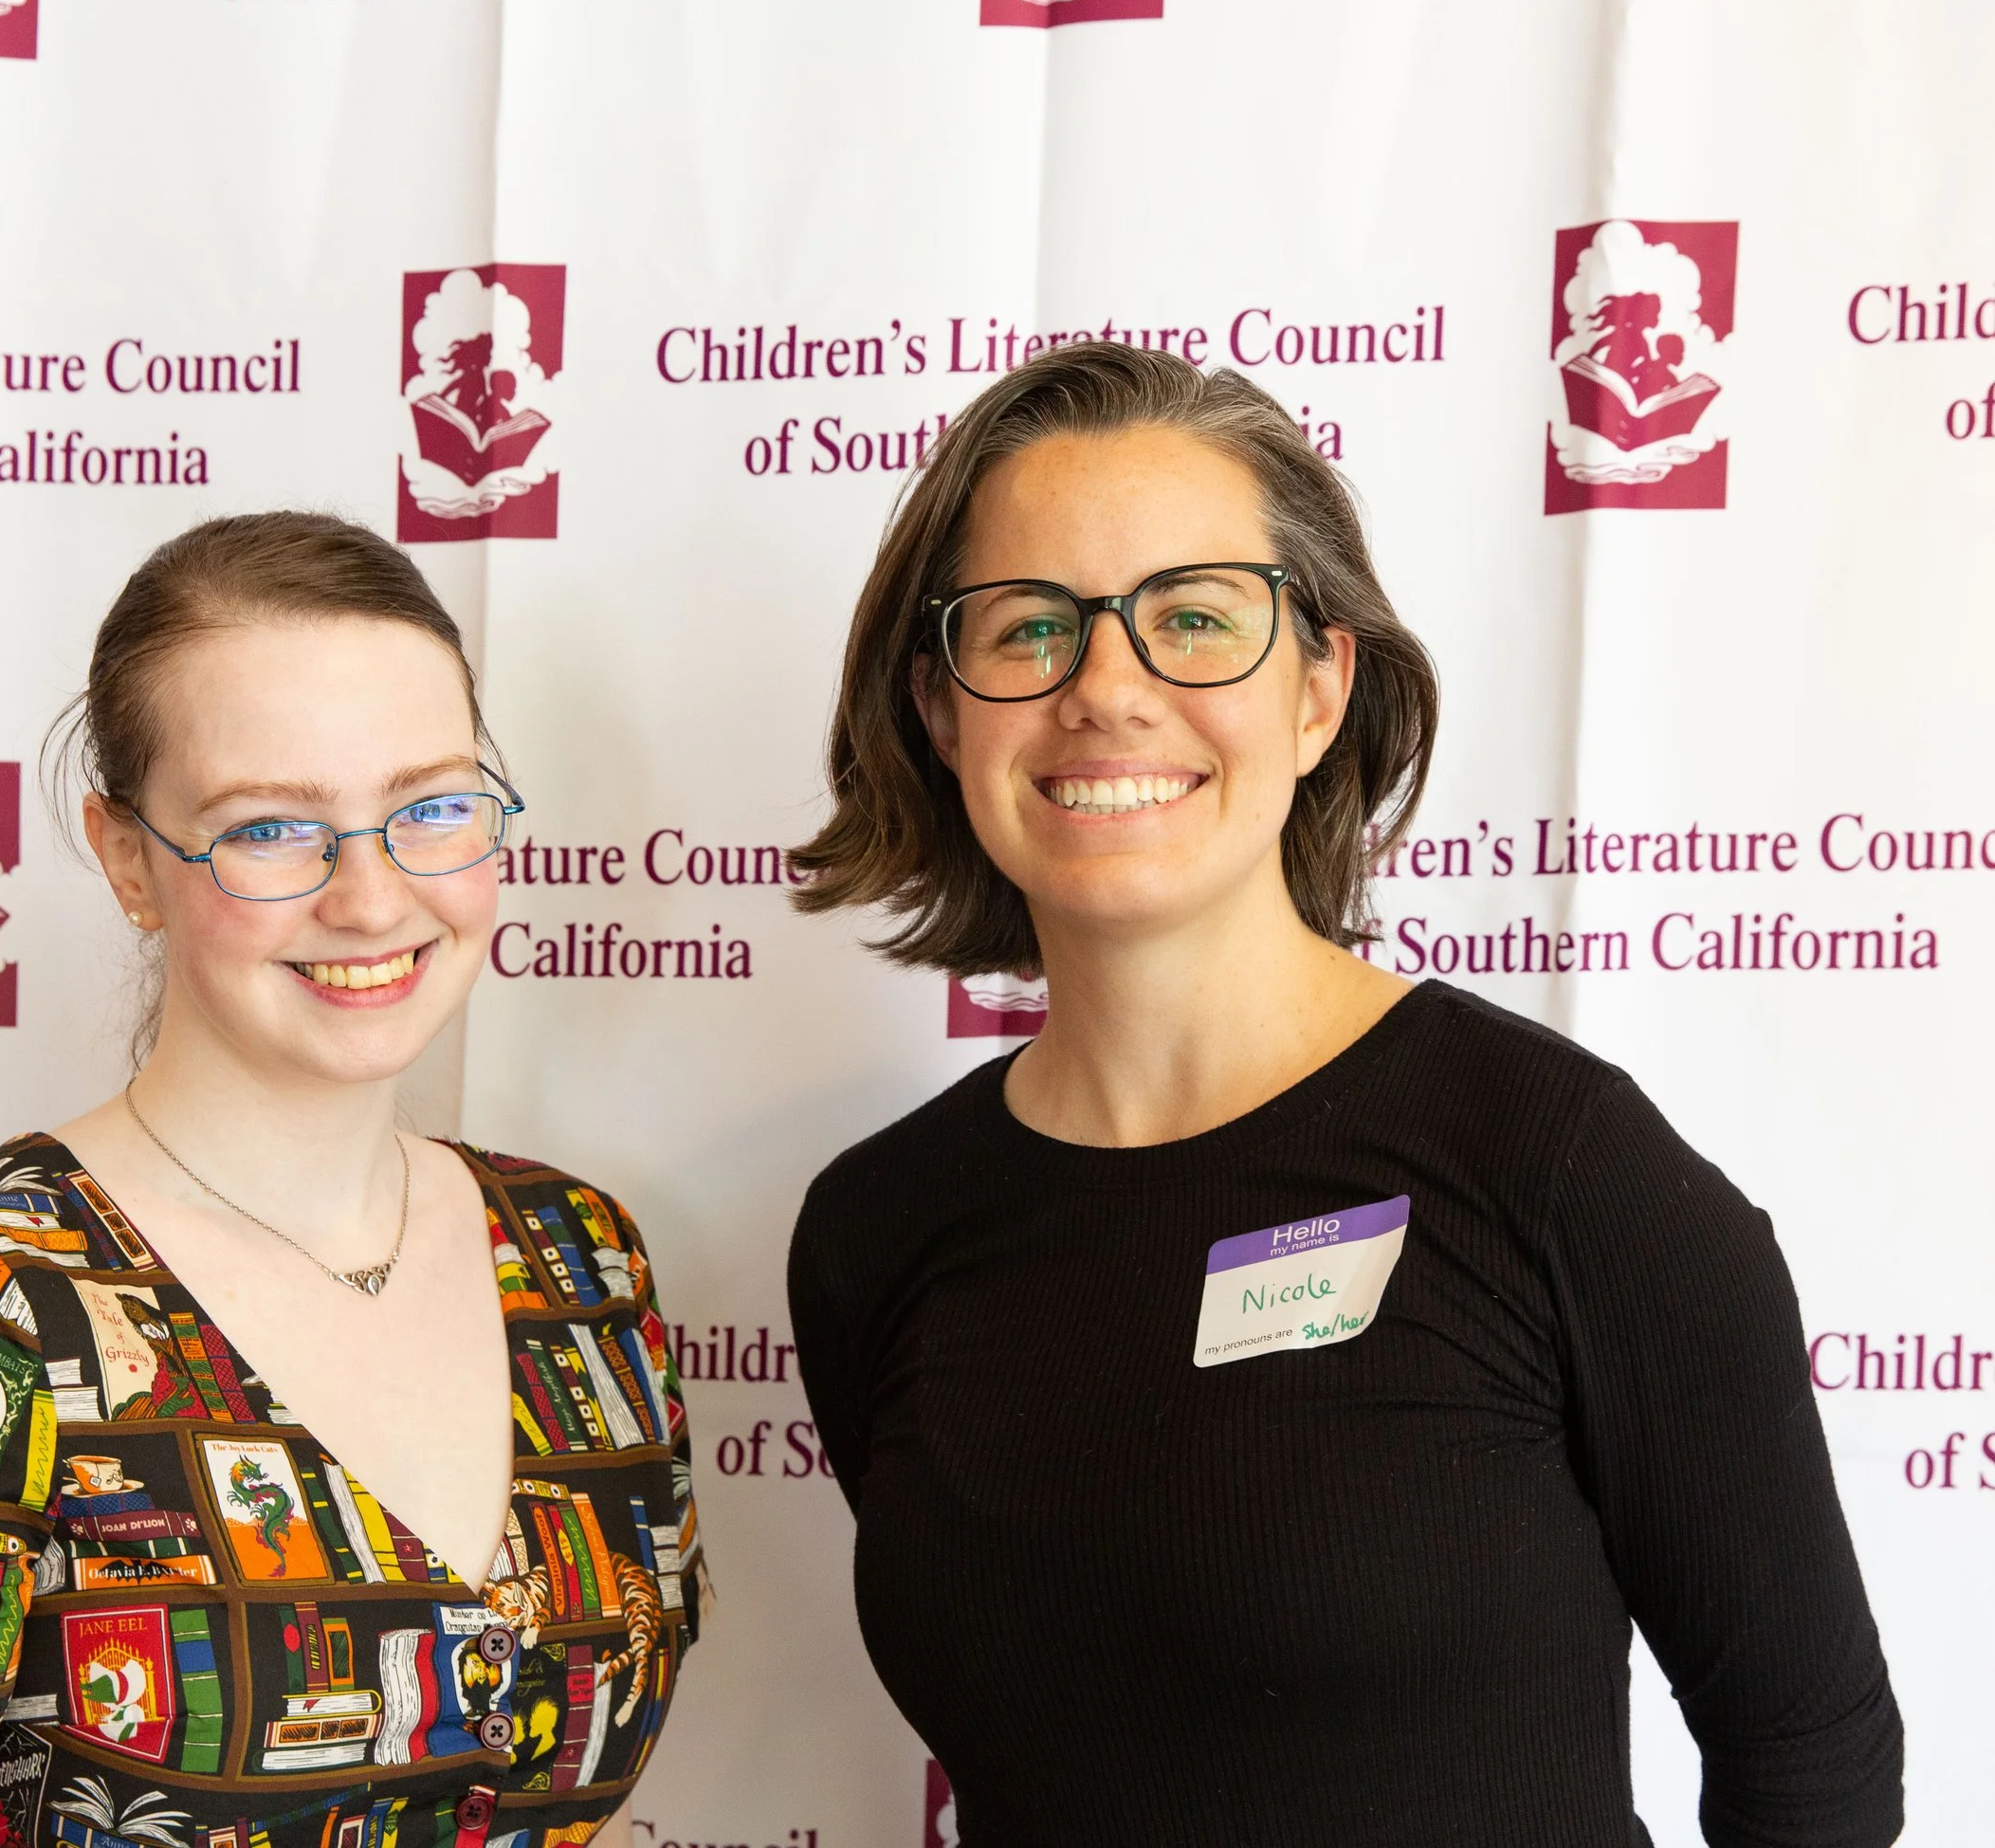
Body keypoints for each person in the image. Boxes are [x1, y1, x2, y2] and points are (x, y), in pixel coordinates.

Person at [783, 343, 1900, 1846]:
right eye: (1030, 629)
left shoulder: (1558, 1163)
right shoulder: (877, 1229)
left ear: (1321, 689)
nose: (1107, 690)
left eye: (1194, 620)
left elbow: (1810, 1765)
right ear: (940, 708)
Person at [0, 513, 707, 1848]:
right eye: (272, 829)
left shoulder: (581, 1260)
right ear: (126, 859)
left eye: (432, 808)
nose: (373, 895)